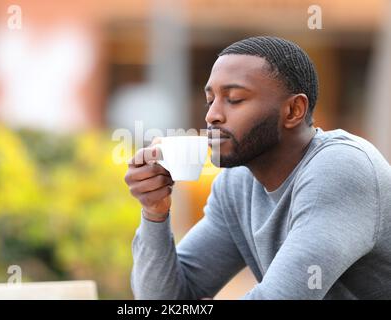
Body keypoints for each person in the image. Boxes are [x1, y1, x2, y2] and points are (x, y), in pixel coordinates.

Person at [124, 36, 391, 299]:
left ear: (293, 110)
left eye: (235, 99)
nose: (211, 115)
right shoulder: (237, 183)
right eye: (210, 100)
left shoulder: (341, 168)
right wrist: (154, 212)